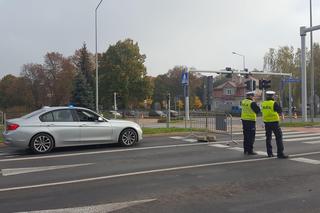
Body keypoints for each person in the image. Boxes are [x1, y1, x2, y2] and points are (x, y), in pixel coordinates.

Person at [261, 91, 288, 159]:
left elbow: (263, 112)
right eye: (274, 96)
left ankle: (269, 153)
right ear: (272, 96)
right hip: (274, 122)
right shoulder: (274, 103)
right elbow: (279, 110)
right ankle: (280, 153)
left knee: (268, 138)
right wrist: (282, 117)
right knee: (279, 137)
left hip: (266, 122)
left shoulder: (263, 103)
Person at [240, 91, 260, 155]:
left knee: (246, 136)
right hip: (250, 121)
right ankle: (250, 150)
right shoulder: (252, 103)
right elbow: (258, 111)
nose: (253, 97)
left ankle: (245, 149)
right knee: (251, 136)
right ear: (251, 96)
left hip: (244, 120)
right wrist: (256, 103)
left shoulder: (243, 101)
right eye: (253, 96)